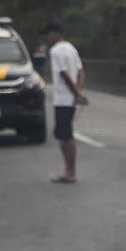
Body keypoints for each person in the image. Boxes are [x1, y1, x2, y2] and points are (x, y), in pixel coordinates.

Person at [44, 21, 87, 183]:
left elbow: (63, 74)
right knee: (62, 134)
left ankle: (70, 172)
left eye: (48, 34)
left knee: (66, 136)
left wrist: (76, 93)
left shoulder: (55, 51)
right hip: (70, 98)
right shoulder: (71, 48)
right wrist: (79, 92)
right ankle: (68, 170)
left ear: (55, 33)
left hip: (62, 98)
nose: (47, 37)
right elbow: (81, 72)